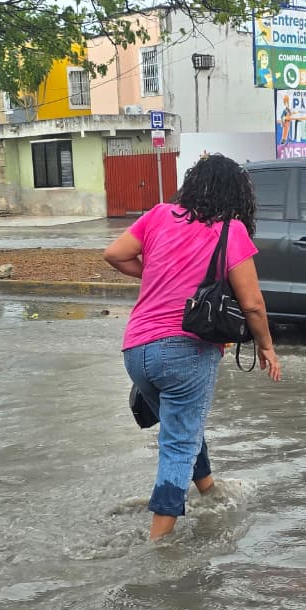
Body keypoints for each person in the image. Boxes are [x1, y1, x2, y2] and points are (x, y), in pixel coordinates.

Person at [104, 154, 282, 541]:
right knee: (178, 444)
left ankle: (208, 489)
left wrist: (154, 273)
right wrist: (266, 346)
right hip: (187, 349)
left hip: (136, 350)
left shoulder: (158, 215)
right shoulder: (230, 230)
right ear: (236, 194)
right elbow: (252, 304)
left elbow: (114, 254)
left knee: (181, 424)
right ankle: (158, 544)